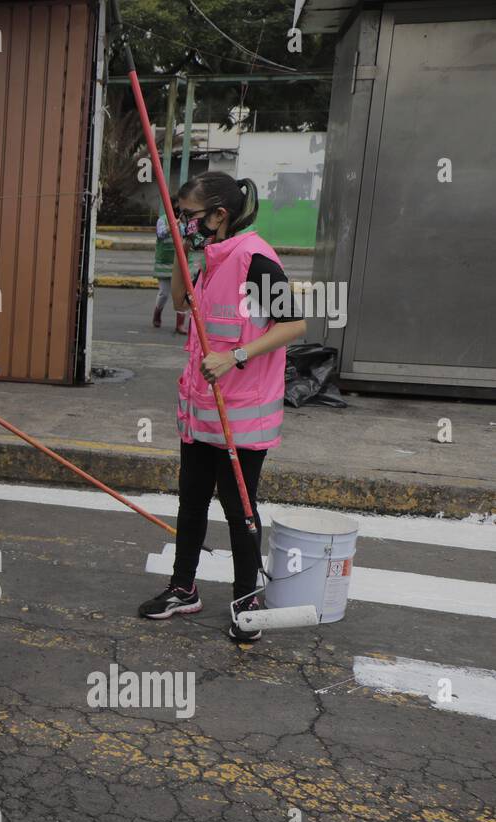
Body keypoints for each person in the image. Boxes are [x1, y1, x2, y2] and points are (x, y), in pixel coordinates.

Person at [137, 171, 306, 643]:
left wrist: (234, 356)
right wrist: (178, 247)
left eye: (189, 216)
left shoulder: (255, 259)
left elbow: (293, 326)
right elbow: (180, 302)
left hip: (243, 418)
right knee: (190, 502)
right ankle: (183, 587)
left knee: (239, 510)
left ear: (219, 215)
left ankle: (246, 600)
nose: (185, 222)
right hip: (201, 413)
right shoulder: (212, 257)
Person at [151, 202, 201, 334]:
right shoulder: (162, 219)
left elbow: (194, 237)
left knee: (184, 292)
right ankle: (157, 312)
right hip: (165, 262)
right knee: (164, 293)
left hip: (183, 261)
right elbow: (160, 234)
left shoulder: (187, 221)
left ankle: (180, 325)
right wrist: (173, 226)